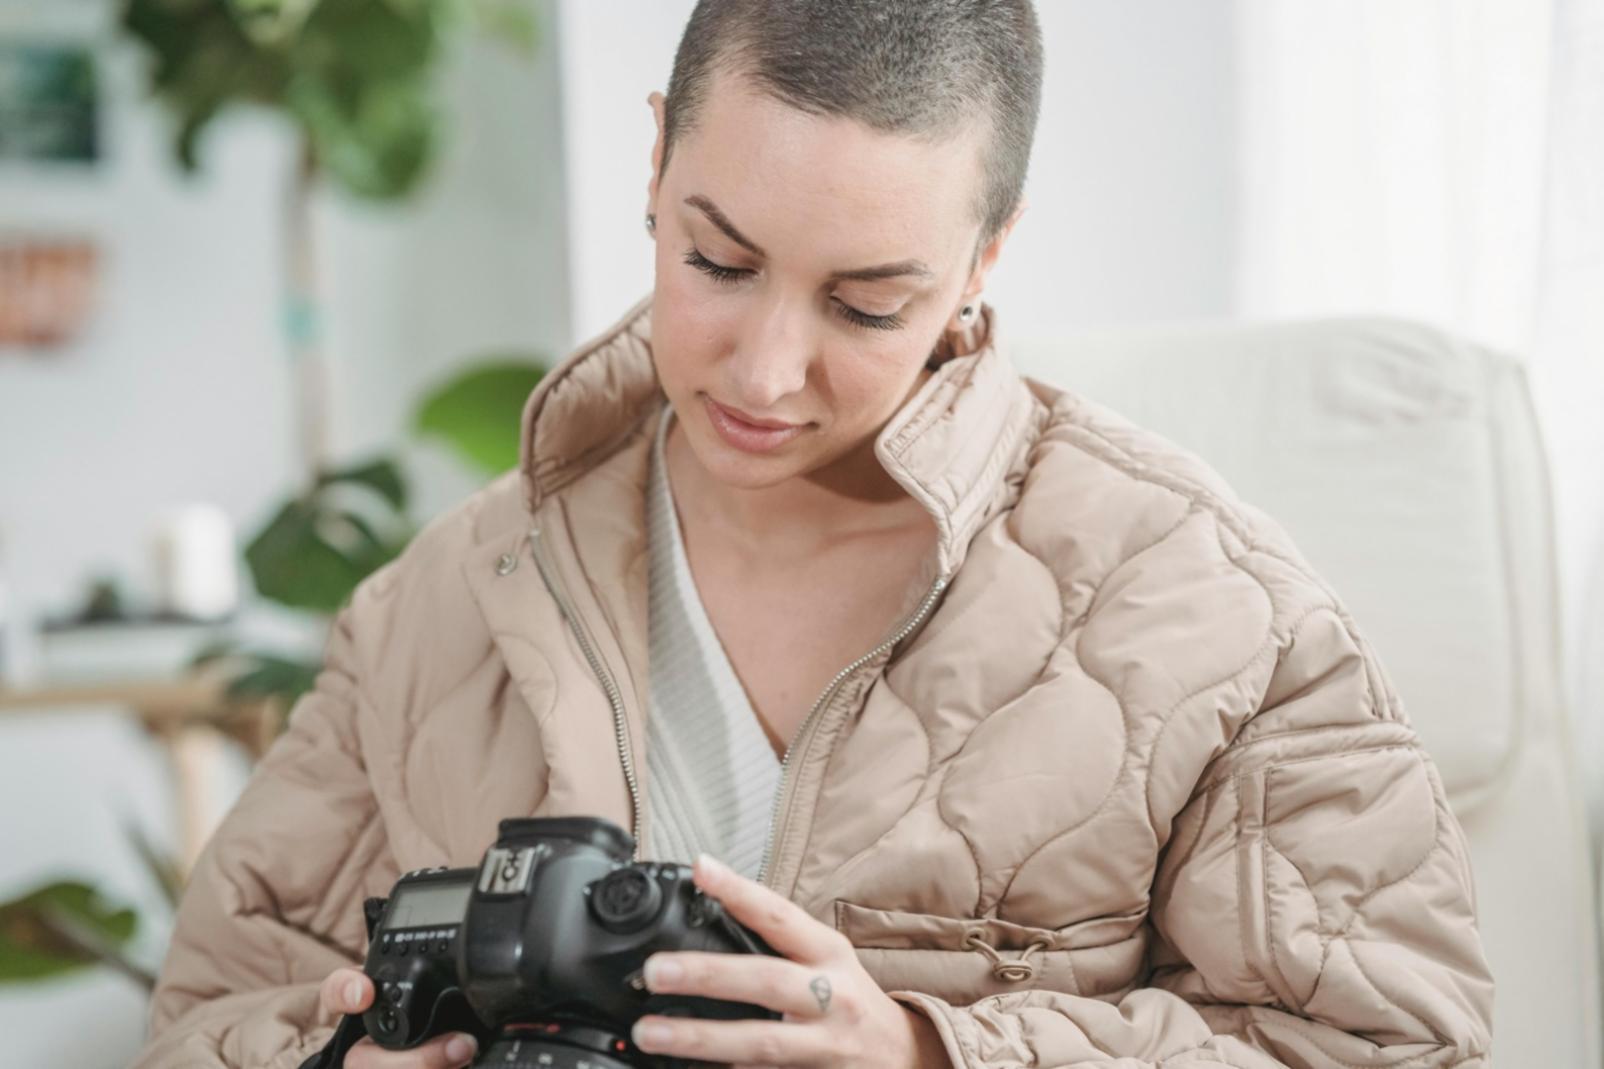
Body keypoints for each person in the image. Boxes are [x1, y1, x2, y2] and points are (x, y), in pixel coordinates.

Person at [132, 2, 1494, 1067]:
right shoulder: (444, 601)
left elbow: (1391, 1035)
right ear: (657, 158)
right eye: (718, 264)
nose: (766, 372)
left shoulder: (1211, 607)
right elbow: (199, 1021)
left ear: (986, 256)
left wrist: (926, 1049)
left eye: (867, 305)